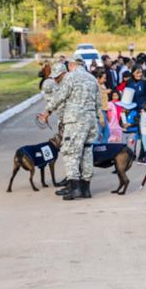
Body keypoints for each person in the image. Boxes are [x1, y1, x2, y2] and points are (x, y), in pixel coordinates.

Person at [41, 58, 100, 200]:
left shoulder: (71, 77)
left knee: (70, 152)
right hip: (91, 119)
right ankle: (86, 189)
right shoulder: (92, 78)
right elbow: (98, 101)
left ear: (72, 65)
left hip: (75, 120)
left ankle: (74, 188)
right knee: (87, 151)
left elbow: (60, 96)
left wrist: (47, 111)